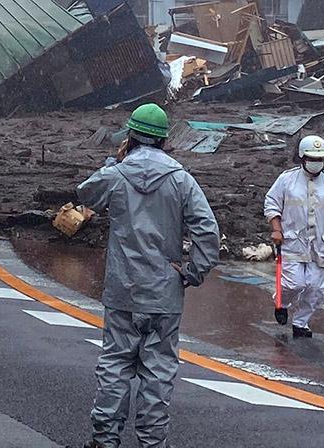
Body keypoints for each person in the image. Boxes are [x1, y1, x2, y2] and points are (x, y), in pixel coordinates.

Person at [77, 104, 220, 448]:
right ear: (163, 139)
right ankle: (152, 443)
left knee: (114, 366)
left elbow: (85, 195)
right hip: (164, 292)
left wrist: (113, 163)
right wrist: (193, 272)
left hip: (123, 289)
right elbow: (207, 230)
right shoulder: (181, 179)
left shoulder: (117, 174)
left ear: (131, 136)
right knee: (158, 374)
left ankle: (105, 440)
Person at [263, 135, 324, 338]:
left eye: (320, 159)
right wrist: (276, 229)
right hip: (293, 242)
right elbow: (272, 203)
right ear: (302, 157)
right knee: (294, 283)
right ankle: (281, 303)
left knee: (315, 288)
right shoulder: (286, 180)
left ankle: (301, 323)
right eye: (312, 158)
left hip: (320, 245)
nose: (316, 162)